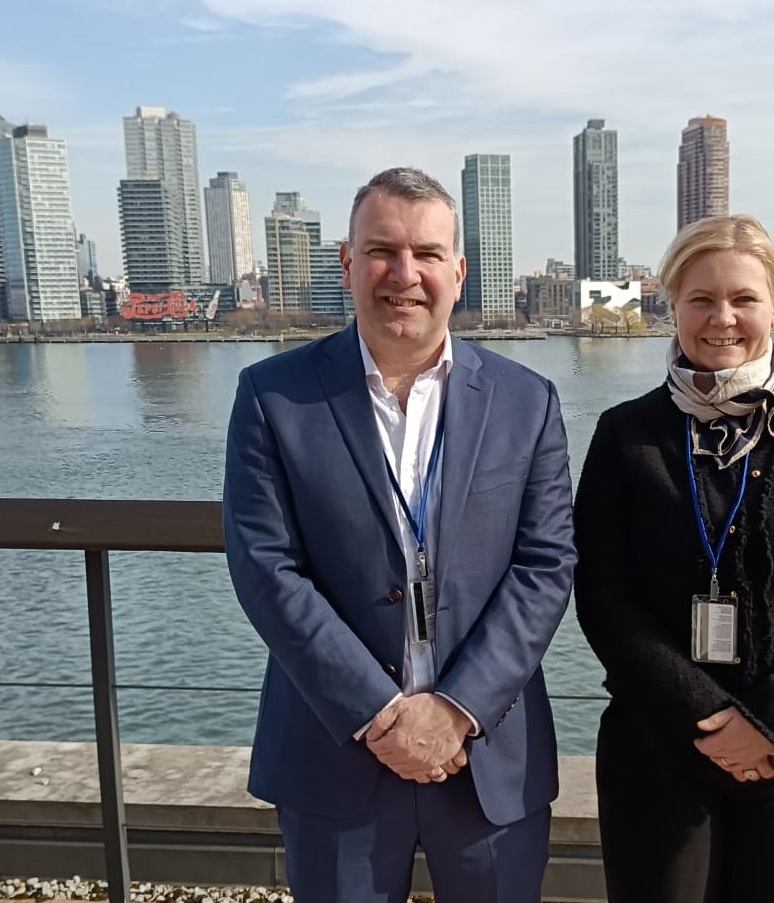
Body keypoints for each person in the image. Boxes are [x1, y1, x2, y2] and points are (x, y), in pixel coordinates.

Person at [223, 167, 576, 903]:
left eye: (426, 253)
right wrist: (378, 712)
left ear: (458, 269)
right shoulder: (273, 395)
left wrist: (455, 708)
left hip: (488, 755)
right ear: (348, 263)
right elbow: (266, 567)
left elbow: (545, 565)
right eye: (382, 250)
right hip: (335, 751)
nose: (404, 274)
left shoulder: (527, 400)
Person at [574, 214, 774, 903]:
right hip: (656, 743)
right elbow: (603, 592)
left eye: (744, 298)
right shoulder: (625, 435)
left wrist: (773, 722)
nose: (723, 318)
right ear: (671, 307)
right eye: (701, 298)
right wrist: (703, 718)